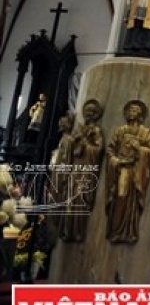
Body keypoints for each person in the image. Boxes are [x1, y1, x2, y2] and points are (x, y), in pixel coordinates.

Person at [105, 100, 150, 244]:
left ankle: (128, 232)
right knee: (120, 196)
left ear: (140, 114)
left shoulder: (145, 132)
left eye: (135, 110)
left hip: (136, 170)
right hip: (122, 168)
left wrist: (139, 147)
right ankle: (115, 230)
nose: (131, 113)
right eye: (130, 110)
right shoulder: (120, 130)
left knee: (131, 200)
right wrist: (115, 160)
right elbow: (110, 149)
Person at [58, 99, 105, 242]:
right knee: (70, 197)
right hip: (75, 167)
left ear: (97, 114)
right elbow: (69, 149)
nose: (89, 114)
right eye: (87, 111)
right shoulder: (78, 129)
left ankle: (78, 231)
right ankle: (67, 230)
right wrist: (75, 141)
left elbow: (98, 149)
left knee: (81, 198)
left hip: (86, 169)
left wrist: (86, 145)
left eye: (92, 111)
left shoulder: (96, 131)